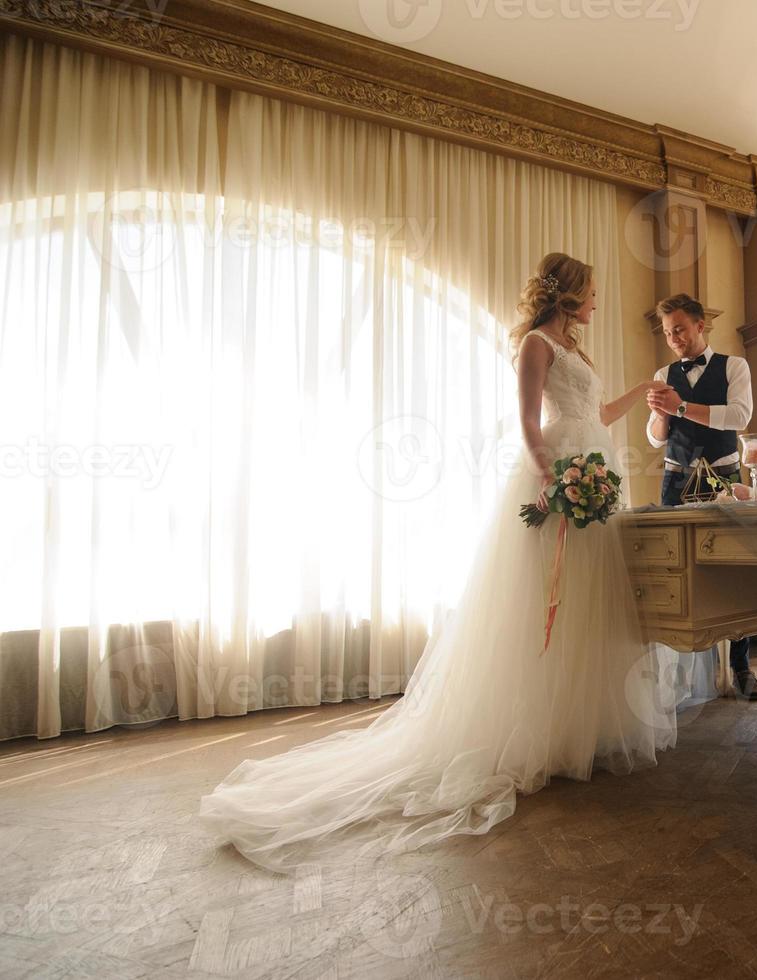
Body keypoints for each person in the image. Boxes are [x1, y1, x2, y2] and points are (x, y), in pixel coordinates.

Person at [200, 252, 681, 870]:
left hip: (598, 471)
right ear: (567, 296)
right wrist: (554, 480)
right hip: (561, 475)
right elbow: (531, 424)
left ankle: (575, 732)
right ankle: (529, 734)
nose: (595, 302)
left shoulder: (577, 351)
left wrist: (643, 392)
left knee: (588, 604)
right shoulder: (537, 344)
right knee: (545, 601)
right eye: (590, 293)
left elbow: (597, 415)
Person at [645, 293, 757, 701]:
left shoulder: (736, 366)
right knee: (673, 571)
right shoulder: (663, 371)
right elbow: (654, 437)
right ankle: (678, 674)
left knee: (737, 572)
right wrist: (662, 416)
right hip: (675, 483)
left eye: (679, 328)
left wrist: (680, 408)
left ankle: (741, 666)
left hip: (725, 481)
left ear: (700, 325)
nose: (673, 338)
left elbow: (739, 417)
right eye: (666, 332)